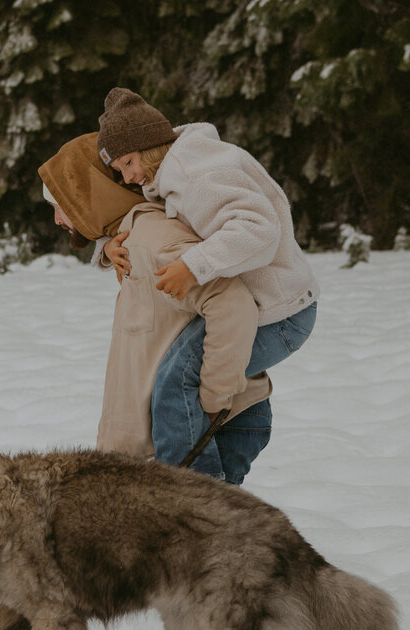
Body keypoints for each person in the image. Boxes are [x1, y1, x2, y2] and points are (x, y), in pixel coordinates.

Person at [94, 87, 318, 479]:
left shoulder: (196, 173)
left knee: (176, 382)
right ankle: (221, 494)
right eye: (120, 171)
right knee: (196, 380)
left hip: (281, 313)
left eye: (128, 163)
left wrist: (192, 265)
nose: (129, 177)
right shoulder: (177, 168)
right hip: (262, 307)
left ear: (147, 145)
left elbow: (258, 228)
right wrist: (105, 246)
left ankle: (191, 504)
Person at [38, 134, 272, 477]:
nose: (57, 220)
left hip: (210, 420)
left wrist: (211, 403)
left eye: (58, 205)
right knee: (204, 528)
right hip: (197, 421)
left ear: (84, 197)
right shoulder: (133, 238)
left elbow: (231, 303)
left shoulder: (151, 239)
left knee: (198, 526)